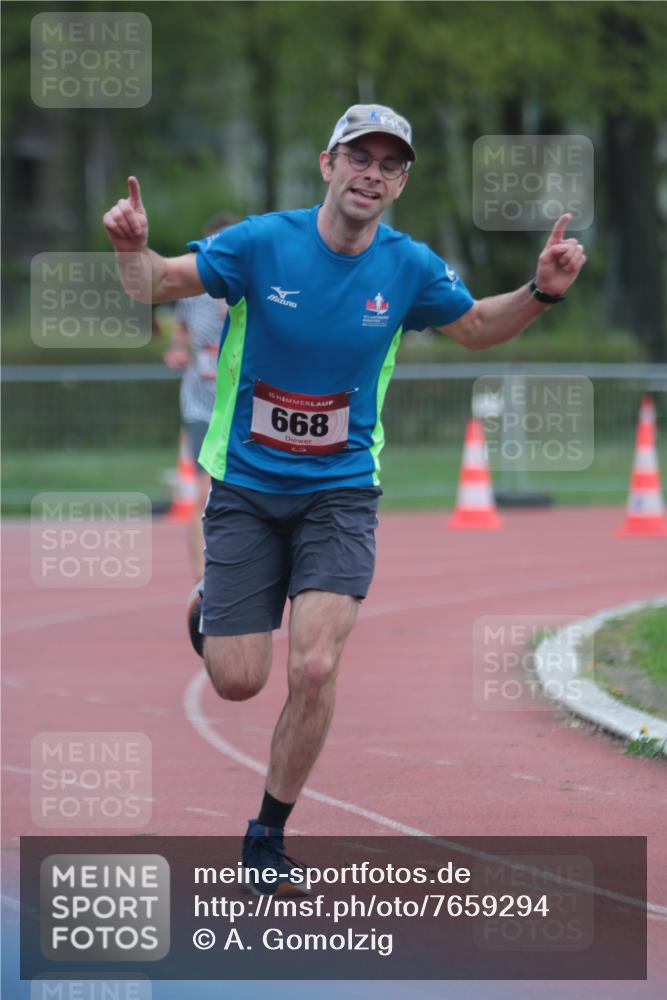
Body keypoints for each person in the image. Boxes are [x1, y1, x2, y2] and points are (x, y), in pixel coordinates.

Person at [103, 103, 586, 895]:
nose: (371, 174)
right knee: (236, 680)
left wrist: (540, 291)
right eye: (358, 157)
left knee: (316, 665)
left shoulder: (409, 266)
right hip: (247, 486)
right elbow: (156, 282)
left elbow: (473, 327)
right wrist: (130, 247)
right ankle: (211, 601)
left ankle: (267, 836)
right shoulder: (261, 243)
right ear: (327, 165)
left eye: (389, 164)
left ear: (400, 184)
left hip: (340, 491)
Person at [163, 212, 238, 579]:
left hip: (245, 406)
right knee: (205, 491)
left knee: (245, 496)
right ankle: (202, 583)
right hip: (202, 405)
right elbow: (181, 331)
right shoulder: (191, 292)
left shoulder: (258, 289)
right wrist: (178, 350)